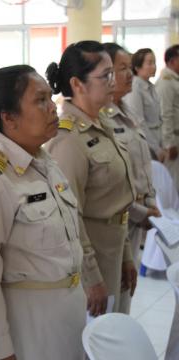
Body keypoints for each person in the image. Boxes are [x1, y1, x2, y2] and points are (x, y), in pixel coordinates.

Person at [0, 65, 86, 360]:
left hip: (66, 312)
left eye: (50, 98)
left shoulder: (43, 160)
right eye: (40, 100)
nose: (52, 107)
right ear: (8, 117)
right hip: (28, 322)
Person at [45, 41, 137, 315]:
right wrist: (91, 277)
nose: (114, 81)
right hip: (94, 257)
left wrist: (128, 256)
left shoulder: (102, 123)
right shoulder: (68, 139)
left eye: (114, 73)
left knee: (117, 333)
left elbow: (118, 199)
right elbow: (70, 216)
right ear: (78, 83)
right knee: (97, 345)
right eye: (105, 75)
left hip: (116, 248)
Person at [102, 43, 160, 313]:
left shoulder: (127, 111)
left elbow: (141, 165)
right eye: (121, 68)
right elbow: (108, 185)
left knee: (125, 297)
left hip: (136, 219)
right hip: (119, 219)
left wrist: (149, 201)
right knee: (112, 304)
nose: (129, 75)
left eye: (129, 68)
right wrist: (141, 210)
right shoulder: (100, 119)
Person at [123, 48, 165, 161]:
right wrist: (156, 149)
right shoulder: (135, 87)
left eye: (154, 62)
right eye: (149, 63)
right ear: (137, 67)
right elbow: (139, 121)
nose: (154, 66)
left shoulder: (150, 86)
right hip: (146, 143)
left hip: (157, 139)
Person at [156, 45, 179, 191]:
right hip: (174, 139)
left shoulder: (175, 80)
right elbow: (165, 113)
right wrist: (169, 144)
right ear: (172, 61)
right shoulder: (166, 82)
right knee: (173, 185)